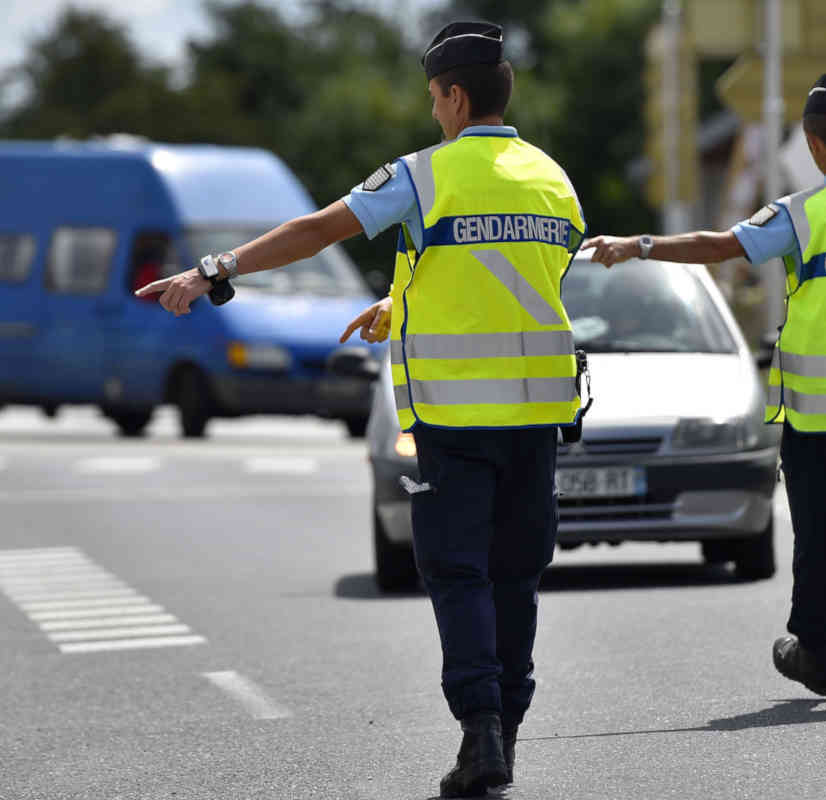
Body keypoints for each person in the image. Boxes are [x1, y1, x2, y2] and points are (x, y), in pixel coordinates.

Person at [136, 21, 587, 796]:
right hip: (538, 416)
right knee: (516, 578)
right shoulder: (553, 179)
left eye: (434, 100)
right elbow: (504, 281)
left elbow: (318, 230)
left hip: (454, 418)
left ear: (454, 95)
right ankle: (504, 729)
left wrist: (215, 270)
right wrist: (400, 302)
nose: (433, 114)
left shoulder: (425, 174)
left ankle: (480, 731)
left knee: (456, 573)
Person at [582, 74, 826, 707]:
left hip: (820, 415)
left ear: (810, 144)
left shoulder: (803, 213)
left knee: (816, 533)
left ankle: (817, 654)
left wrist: (638, 245)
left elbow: (719, 246)